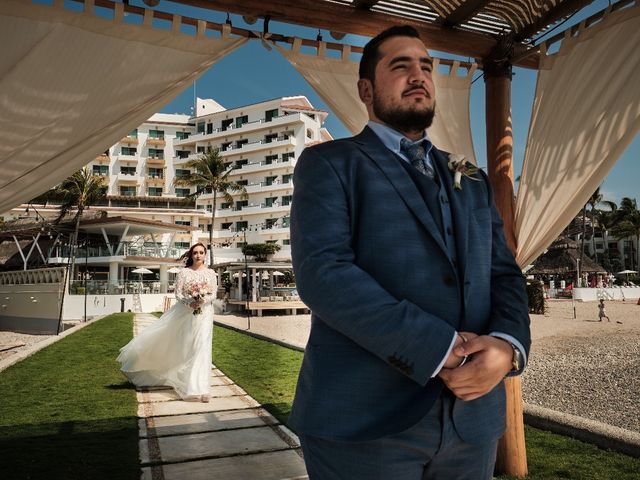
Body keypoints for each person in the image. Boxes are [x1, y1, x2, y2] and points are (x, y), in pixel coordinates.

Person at [289, 25, 531, 479]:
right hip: (363, 422)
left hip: (472, 423)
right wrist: (439, 349)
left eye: (426, 66)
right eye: (400, 66)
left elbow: (505, 274)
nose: (418, 75)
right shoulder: (329, 164)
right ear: (366, 89)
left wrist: (507, 347)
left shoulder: (473, 180)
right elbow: (324, 274)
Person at [117, 243, 217, 402]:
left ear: (205, 255)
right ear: (191, 255)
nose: (198, 255)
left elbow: (214, 294)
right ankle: (184, 381)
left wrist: (202, 300)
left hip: (205, 314)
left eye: (201, 253)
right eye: (195, 253)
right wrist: (190, 302)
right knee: (187, 348)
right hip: (187, 313)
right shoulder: (184, 273)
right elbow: (178, 294)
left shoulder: (211, 273)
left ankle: (202, 389)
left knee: (202, 348)